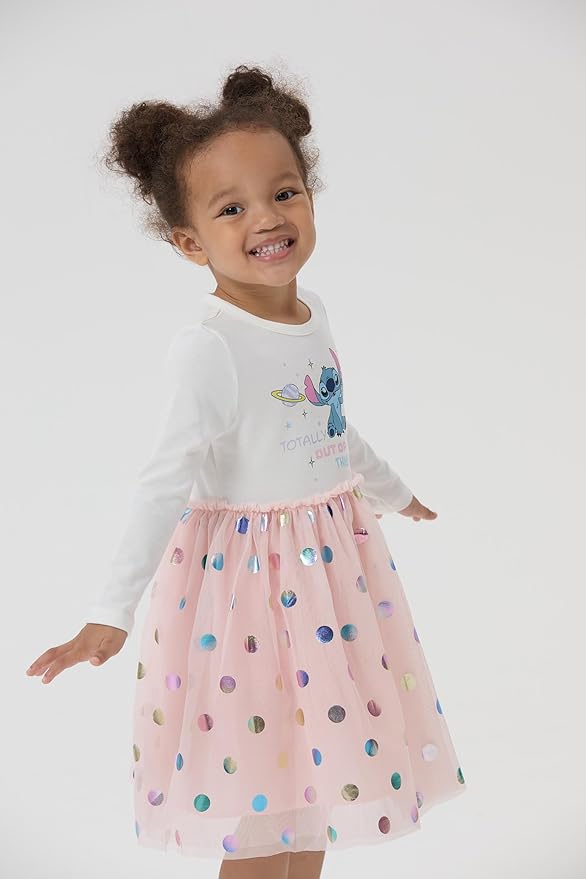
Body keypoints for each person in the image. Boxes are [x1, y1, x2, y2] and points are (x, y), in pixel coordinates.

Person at [25, 63, 466, 879]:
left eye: (284, 192)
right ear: (190, 242)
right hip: (249, 595)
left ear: (310, 198)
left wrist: (394, 492)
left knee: (323, 783)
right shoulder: (210, 347)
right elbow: (163, 481)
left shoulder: (312, 311)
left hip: (331, 580)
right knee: (264, 803)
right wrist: (109, 610)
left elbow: (327, 423)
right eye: (231, 208)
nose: (266, 217)